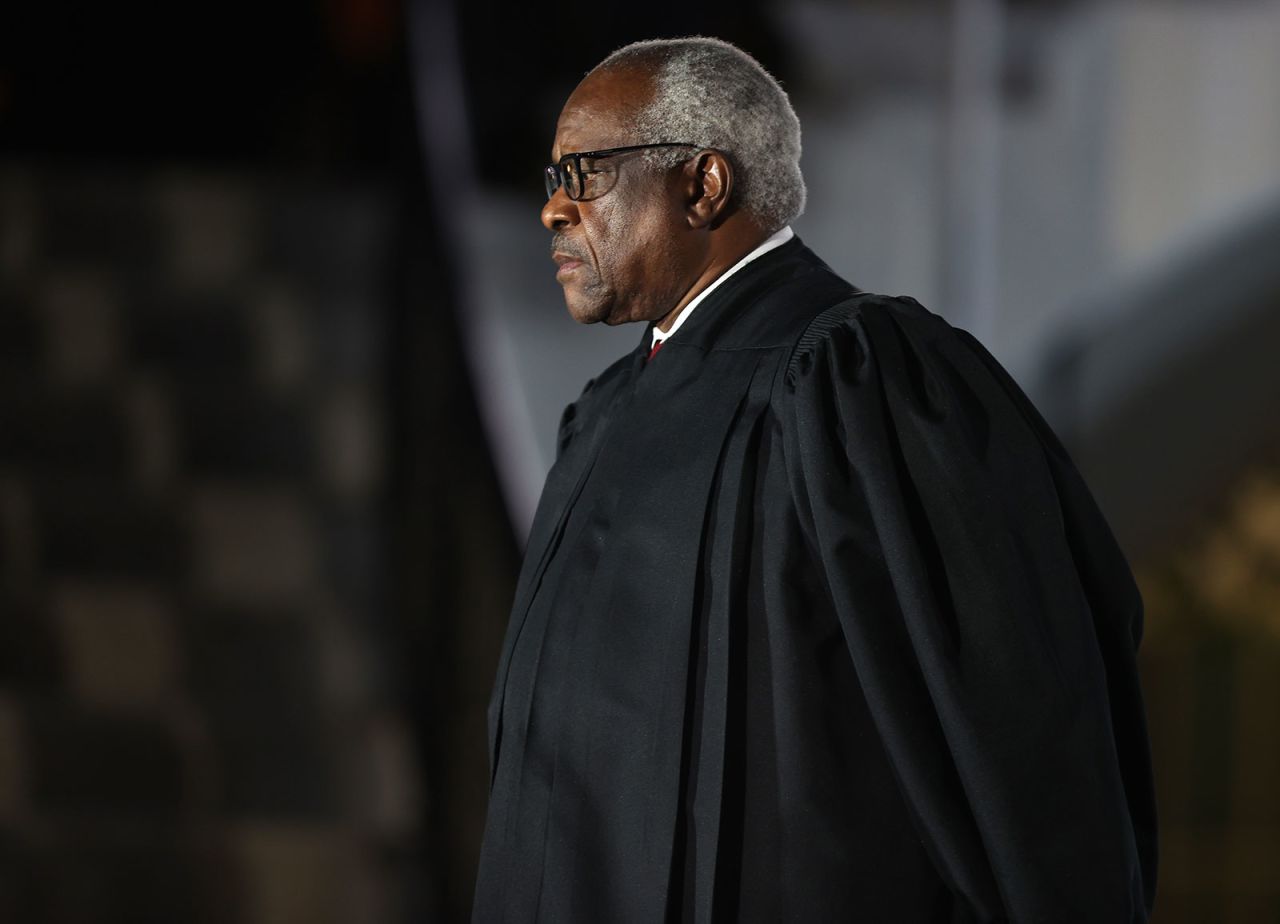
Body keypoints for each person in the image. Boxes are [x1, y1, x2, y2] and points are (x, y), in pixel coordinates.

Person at [473, 37, 1157, 924]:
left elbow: (1020, 748)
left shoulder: (862, 385)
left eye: (583, 173)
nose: (552, 210)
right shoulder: (602, 417)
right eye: (549, 176)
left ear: (703, 185)